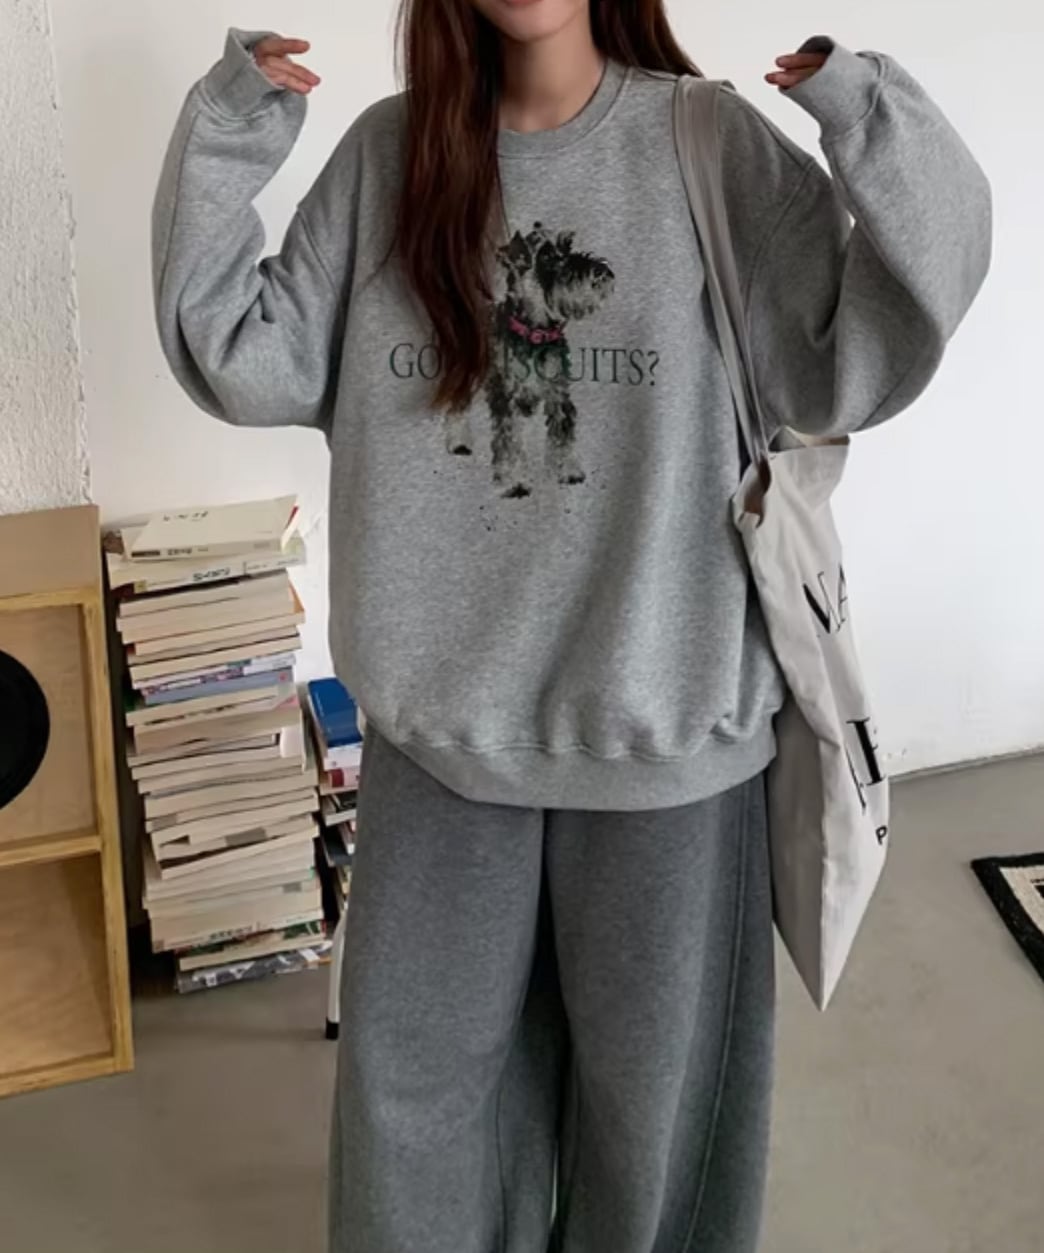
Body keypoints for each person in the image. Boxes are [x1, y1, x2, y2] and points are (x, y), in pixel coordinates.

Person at [152, 2, 990, 1250]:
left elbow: (867, 349)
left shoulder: (706, 142)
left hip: (668, 736)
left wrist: (868, 113)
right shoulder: (390, 157)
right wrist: (227, 132)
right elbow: (236, 352)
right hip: (441, 740)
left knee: (655, 1137)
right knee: (413, 1119)